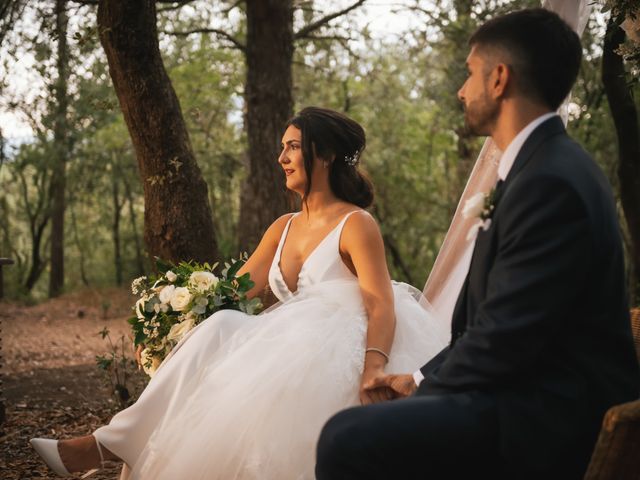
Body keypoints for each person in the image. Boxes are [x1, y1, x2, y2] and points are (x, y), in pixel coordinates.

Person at [30, 107, 449, 479]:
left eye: (293, 147)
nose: (281, 158)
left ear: (325, 154)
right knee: (222, 323)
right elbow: (232, 292)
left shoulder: (356, 223)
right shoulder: (282, 227)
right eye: (282, 148)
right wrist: (173, 330)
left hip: (342, 344)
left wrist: (372, 368)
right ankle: (108, 443)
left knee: (227, 327)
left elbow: (380, 301)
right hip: (288, 341)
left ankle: (100, 446)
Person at [315, 8, 640, 480]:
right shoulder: (538, 167)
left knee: (348, 437)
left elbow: (507, 335)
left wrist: (426, 388)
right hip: (524, 391)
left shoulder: (551, 182)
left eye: (470, 73)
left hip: (551, 415)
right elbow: (491, 322)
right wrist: (417, 378)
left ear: (499, 79)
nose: (461, 90)